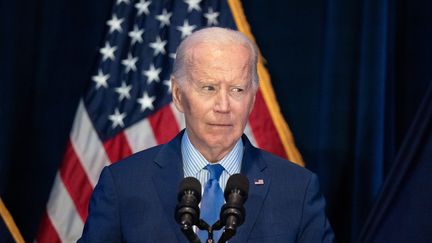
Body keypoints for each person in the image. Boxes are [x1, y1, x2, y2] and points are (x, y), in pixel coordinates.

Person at [79, 27, 334, 242]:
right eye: (209, 88)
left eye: (237, 89)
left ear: (252, 99)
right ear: (178, 95)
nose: (223, 106)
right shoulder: (122, 185)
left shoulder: (298, 190)